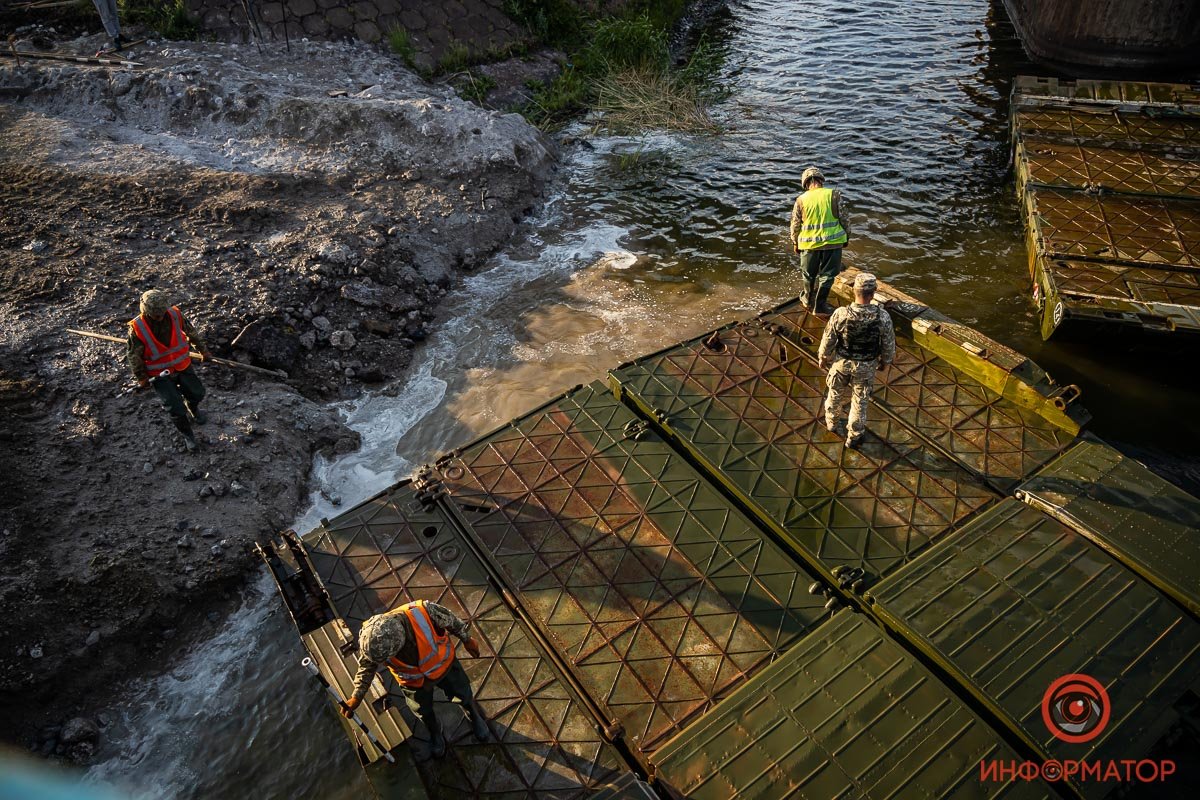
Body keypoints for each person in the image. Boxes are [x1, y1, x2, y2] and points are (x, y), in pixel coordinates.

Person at [343, 600, 492, 758]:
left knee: (462, 692)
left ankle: (473, 715)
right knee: (422, 710)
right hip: (413, 683)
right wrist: (356, 696)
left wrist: (467, 640)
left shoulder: (423, 612)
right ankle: (435, 732)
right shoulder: (371, 642)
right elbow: (366, 667)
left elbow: (452, 621)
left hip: (444, 668)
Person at [126, 289, 211, 452]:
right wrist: (141, 377)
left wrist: (203, 350)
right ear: (146, 311)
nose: (160, 317)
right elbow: (133, 355)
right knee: (175, 407)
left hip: (182, 365)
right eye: (156, 315)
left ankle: (193, 408)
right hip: (159, 375)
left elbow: (191, 332)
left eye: (162, 313)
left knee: (197, 392)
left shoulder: (174, 314)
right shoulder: (137, 328)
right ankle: (188, 435)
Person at [818, 272, 895, 448]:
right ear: (873, 293)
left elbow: (828, 338)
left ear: (854, 291)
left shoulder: (841, 314)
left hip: (841, 363)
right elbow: (888, 344)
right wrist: (885, 361)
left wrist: (823, 357)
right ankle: (854, 435)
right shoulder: (882, 317)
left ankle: (831, 422)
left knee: (834, 394)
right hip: (866, 367)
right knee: (860, 401)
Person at [790, 166, 851, 314]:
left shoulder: (801, 200)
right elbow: (845, 219)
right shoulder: (834, 194)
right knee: (828, 275)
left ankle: (807, 300)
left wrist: (795, 242)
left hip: (809, 245)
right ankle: (820, 305)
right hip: (833, 243)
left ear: (805, 184)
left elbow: (795, 224)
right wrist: (847, 237)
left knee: (808, 274)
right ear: (821, 180)